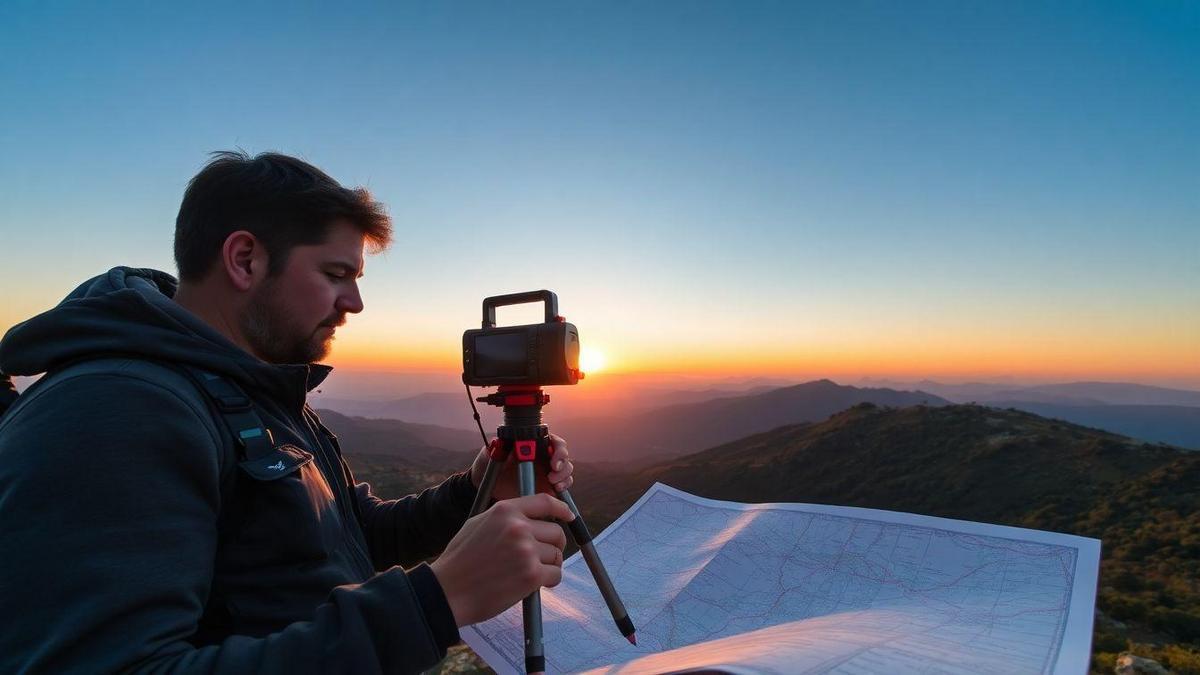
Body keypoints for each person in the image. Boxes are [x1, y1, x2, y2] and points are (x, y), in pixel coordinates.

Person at [0, 151, 577, 673]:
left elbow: (344, 537)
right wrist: (437, 601)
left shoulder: (253, 386)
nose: (355, 303)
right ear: (245, 259)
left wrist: (470, 492)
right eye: (336, 275)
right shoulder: (116, 411)